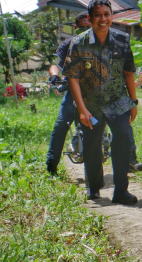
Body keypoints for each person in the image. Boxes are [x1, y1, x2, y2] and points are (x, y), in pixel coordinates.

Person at [64, 0, 139, 204]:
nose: (103, 19)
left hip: (118, 101)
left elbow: (128, 73)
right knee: (91, 145)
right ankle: (94, 187)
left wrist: (133, 102)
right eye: (98, 15)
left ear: (112, 16)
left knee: (123, 136)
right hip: (90, 105)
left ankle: (121, 190)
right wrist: (81, 109)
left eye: (107, 14)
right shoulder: (78, 43)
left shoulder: (122, 40)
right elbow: (73, 78)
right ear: (90, 18)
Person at [45, 12, 91, 175]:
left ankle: (130, 160)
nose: (86, 29)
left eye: (89, 26)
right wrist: (54, 75)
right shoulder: (67, 44)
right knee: (60, 127)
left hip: (96, 94)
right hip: (73, 92)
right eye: (82, 27)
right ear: (75, 28)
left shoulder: (102, 44)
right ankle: (51, 167)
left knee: (119, 121)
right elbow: (55, 64)